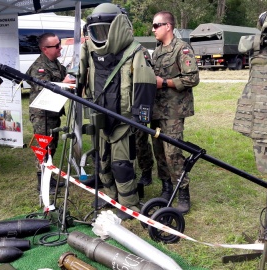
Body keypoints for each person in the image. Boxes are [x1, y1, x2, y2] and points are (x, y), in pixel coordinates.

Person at [78, 3, 157, 220]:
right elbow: (82, 78)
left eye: (105, 30)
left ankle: (128, 204)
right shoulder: (90, 51)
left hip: (123, 121)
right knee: (102, 161)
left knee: (122, 164)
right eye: (97, 31)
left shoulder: (135, 52)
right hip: (100, 117)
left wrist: (140, 119)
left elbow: (144, 87)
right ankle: (109, 195)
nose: (100, 36)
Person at [150, 11, 199, 214]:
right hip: (156, 109)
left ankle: (183, 193)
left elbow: (192, 78)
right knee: (159, 151)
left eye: (156, 25)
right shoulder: (157, 51)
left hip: (174, 110)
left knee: (173, 153)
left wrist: (165, 83)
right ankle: (166, 188)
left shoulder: (182, 48)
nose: (153, 29)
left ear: (167, 26)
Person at [26, 33, 72, 191]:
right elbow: (43, 88)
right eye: (57, 46)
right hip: (42, 115)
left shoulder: (55, 63)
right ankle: (42, 184)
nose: (60, 48)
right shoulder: (40, 66)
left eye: (59, 44)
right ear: (45, 49)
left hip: (52, 112)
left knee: (51, 147)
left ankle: (49, 179)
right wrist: (63, 83)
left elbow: (65, 74)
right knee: (43, 148)